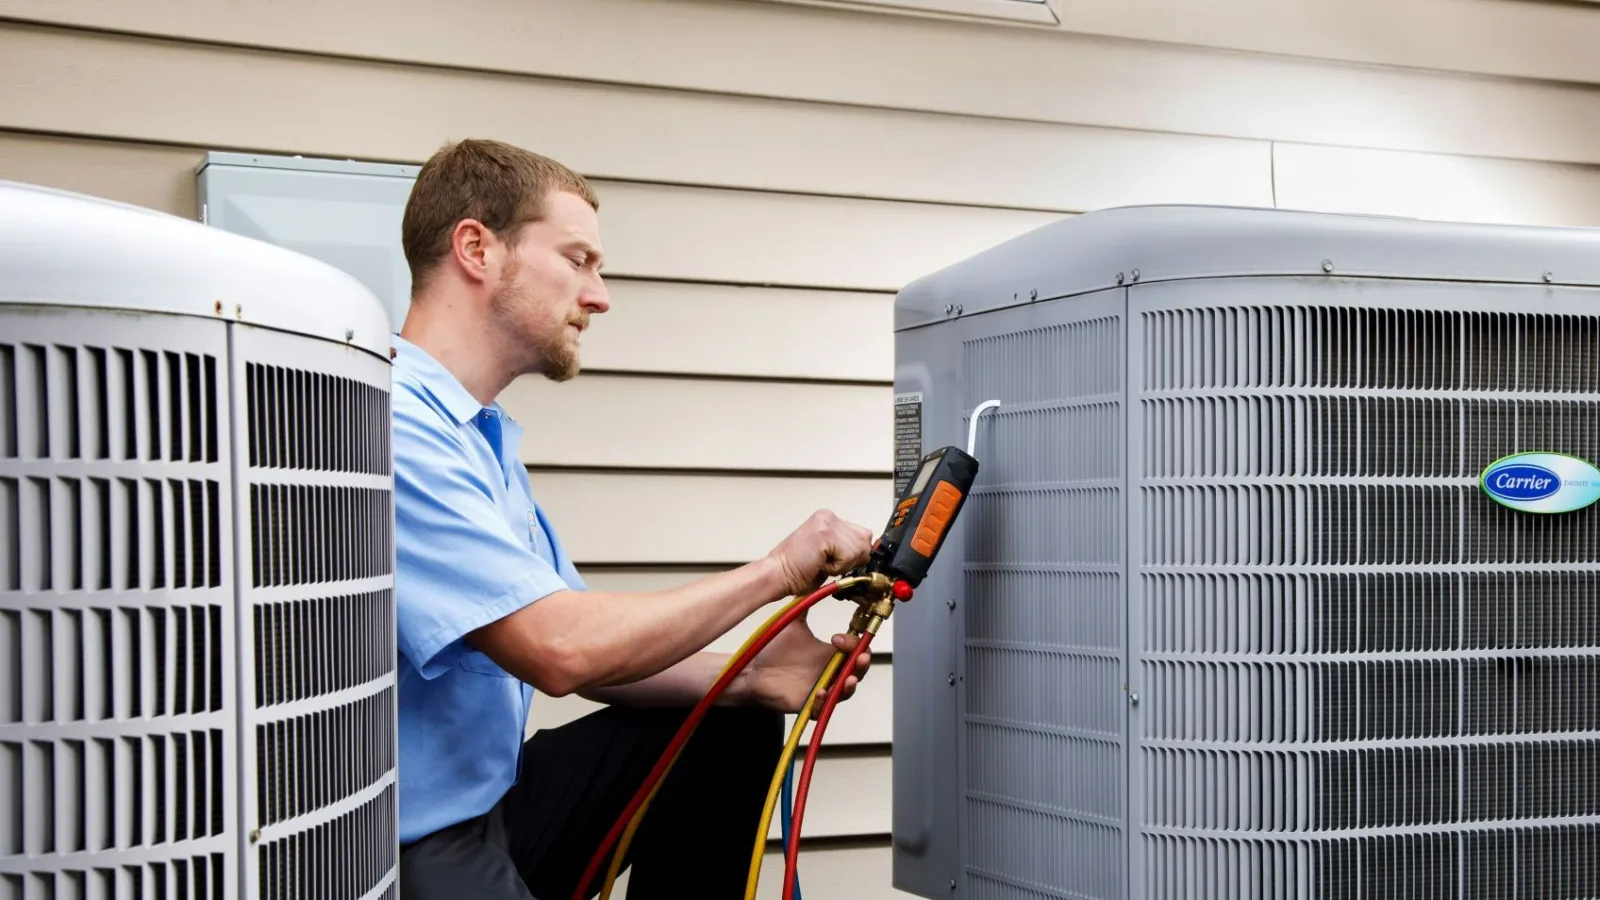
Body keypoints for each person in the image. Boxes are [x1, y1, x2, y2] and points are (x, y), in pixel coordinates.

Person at [389, 138, 877, 900]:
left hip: (493, 803)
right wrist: (776, 573)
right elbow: (561, 652)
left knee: (724, 722)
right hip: (409, 842)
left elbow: (598, 649)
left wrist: (746, 676)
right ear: (477, 249)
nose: (600, 295)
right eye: (578, 259)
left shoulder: (478, 437)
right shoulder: (395, 426)